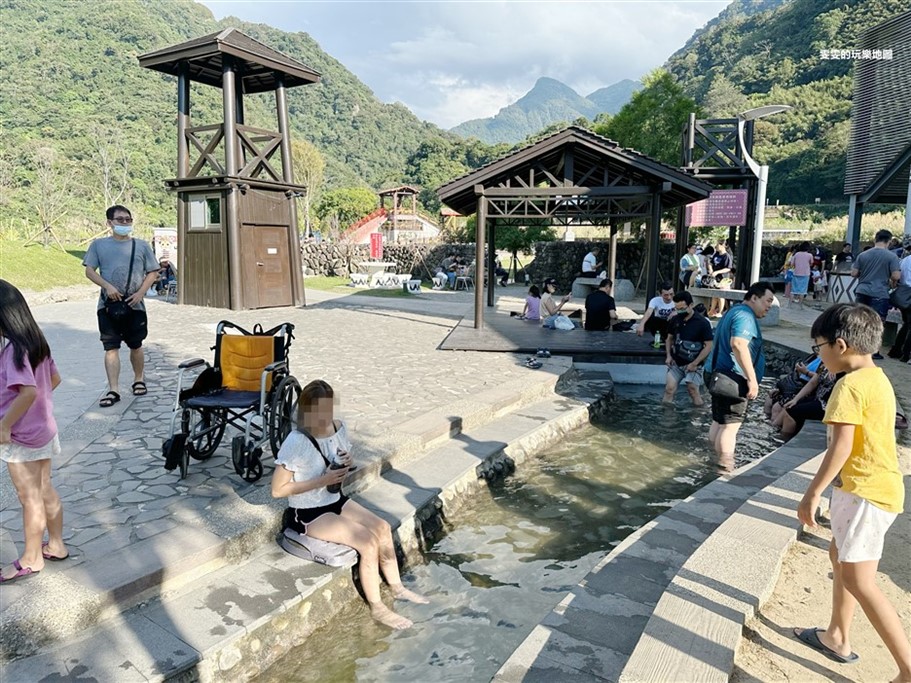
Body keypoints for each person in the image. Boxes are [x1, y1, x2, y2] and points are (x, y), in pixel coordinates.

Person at [794, 304, 910, 681]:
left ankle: (908, 669)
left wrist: (812, 493)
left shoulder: (848, 385)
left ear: (840, 345)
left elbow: (840, 447)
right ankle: (837, 636)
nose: (818, 355)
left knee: (860, 580)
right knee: (839, 555)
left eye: (819, 347)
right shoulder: (877, 377)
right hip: (875, 488)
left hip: (864, 493)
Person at [271, 380, 427, 629]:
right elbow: (277, 490)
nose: (324, 418)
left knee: (383, 528)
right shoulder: (296, 441)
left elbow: (343, 460)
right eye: (318, 412)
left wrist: (346, 461)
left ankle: (397, 587)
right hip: (308, 513)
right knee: (367, 541)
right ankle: (378, 608)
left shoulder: (337, 427)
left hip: (335, 499)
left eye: (328, 410)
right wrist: (323, 479)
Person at [0, 281, 69, 583]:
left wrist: (5, 424)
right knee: (44, 489)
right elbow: (53, 380)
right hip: (44, 430)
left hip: (21, 437)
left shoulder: (13, 351)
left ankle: (31, 558)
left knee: (29, 497)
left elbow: (27, 392)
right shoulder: (36, 341)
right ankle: (55, 545)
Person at [83, 206, 160, 408]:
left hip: (135, 306)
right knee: (111, 348)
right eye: (120, 220)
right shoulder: (98, 245)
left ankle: (138, 379)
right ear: (109, 222)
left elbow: (153, 272)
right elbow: (89, 271)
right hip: (108, 306)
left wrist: (141, 292)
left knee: (136, 345)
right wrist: (107, 286)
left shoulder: (141, 246)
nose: (125, 223)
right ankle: (114, 389)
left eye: (128, 219)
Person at [706, 281, 775, 471]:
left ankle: (712, 459)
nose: (770, 306)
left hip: (717, 375)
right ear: (754, 298)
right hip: (731, 379)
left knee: (719, 421)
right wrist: (752, 380)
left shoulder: (733, 311)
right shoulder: (745, 316)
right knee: (730, 426)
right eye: (767, 300)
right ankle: (725, 467)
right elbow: (738, 343)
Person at [851, 229, 901, 357]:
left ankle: (856, 346)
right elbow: (896, 276)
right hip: (880, 293)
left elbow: (854, 273)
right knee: (877, 322)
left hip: (862, 291)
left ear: (875, 239)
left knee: (859, 319)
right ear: (889, 241)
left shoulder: (863, 255)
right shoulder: (892, 256)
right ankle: (873, 351)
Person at [662, 290, 713, 406]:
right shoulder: (675, 320)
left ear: (691, 305)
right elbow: (669, 338)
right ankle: (666, 417)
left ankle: (698, 415)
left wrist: (695, 363)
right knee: (669, 389)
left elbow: (709, 345)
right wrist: (668, 356)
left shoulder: (702, 323)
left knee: (692, 390)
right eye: (677, 308)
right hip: (677, 362)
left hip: (694, 363)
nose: (680, 311)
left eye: (682, 308)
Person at [777, 367, 839, 441]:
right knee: (789, 405)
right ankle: (773, 427)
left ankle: (784, 438)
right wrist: (795, 400)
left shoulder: (844, 370)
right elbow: (813, 383)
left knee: (792, 412)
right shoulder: (825, 364)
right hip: (817, 398)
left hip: (827, 405)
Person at [887, 237, 911, 363]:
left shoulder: (905, 260)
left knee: (906, 324)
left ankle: (896, 350)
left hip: (903, 295)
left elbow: (897, 277)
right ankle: (906, 354)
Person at [708, 242, 734, 317]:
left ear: (723, 246)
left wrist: (717, 272)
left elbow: (728, 268)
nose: (716, 246)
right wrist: (711, 269)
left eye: (718, 245)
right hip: (715, 277)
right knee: (714, 294)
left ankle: (720, 311)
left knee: (721, 295)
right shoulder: (716, 254)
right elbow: (711, 262)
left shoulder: (726, 256)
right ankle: (712, 310)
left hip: (723, 278)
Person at [789, 241, 814, 308]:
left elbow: (792, 264)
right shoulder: (810, 255)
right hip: (805, 274)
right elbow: (811, 263)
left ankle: (789, 305)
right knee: (803, 290)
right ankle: (800, 305)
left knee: (793, 289)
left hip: (796, 273)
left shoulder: (796, 254)